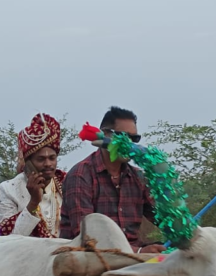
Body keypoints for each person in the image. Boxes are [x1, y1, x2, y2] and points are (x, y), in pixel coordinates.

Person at [59, 106, 164, 253]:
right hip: (87, 260)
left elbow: (163, 219)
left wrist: (162, 180)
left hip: (134, 259)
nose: (130, 144)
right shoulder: (80, 175)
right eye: (123, 137)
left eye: (134, 139)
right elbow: (85, 237)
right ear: (105, 134)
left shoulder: (139, 177)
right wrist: (138, 252)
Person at [0, 113, 66, 238]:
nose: (48, 164)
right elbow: (10, 240)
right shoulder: (8, 189)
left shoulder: (66, 183)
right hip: (26, 256)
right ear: (28, 163)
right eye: (41, 159)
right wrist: (33, 202)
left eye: (52, 158)